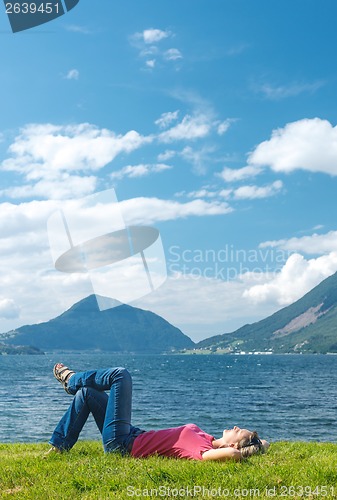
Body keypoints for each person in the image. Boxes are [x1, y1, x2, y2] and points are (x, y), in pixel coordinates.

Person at [47, 364, 269, 461]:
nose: (237, 427)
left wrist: (246, 452)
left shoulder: (203, 450)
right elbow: (264, 443)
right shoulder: (204, 438)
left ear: (233, 445)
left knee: (120, 375)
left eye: (240, 432)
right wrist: (258, 445)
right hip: (133, 434)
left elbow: (233, 455)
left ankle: (70, 379)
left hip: (123, 443)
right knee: (87, 393)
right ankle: (59, 447)